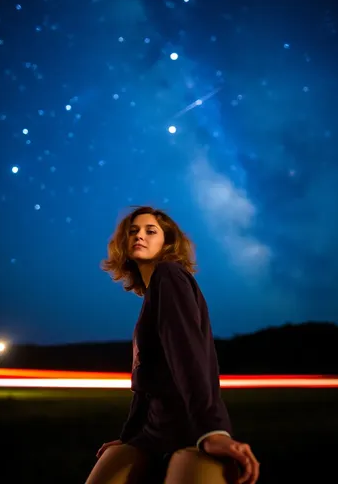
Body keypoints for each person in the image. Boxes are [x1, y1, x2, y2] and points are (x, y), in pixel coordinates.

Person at [85, 206, 260, 484]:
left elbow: (188, 355)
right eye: (132, 231)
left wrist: (211, 431)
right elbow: (147, 383)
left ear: (167, 242)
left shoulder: (169, 275)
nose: (139, 236)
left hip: (189, 430)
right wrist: (129, 438)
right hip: (151, 434)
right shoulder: (154, 292)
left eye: (150, 231)